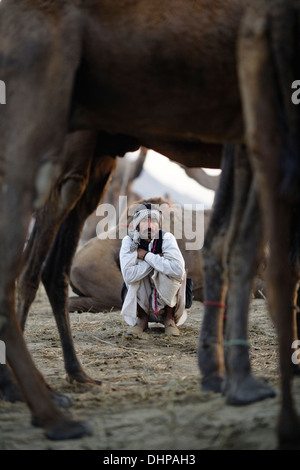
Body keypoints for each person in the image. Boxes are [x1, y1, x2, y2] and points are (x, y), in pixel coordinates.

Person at [119, 202, 187, 336]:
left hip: (165, 300)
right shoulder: (129, 241)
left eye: (154, 221)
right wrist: (154, 261)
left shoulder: (167, 238)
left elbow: (178, 270)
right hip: (142, 298)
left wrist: (146, 256)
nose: (150, 225)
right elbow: (128, 275)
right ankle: (141, 319)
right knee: (154, 268)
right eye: (144, 221)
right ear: (137, 224)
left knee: (172, 272)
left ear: (159, 224)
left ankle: (169, 319)